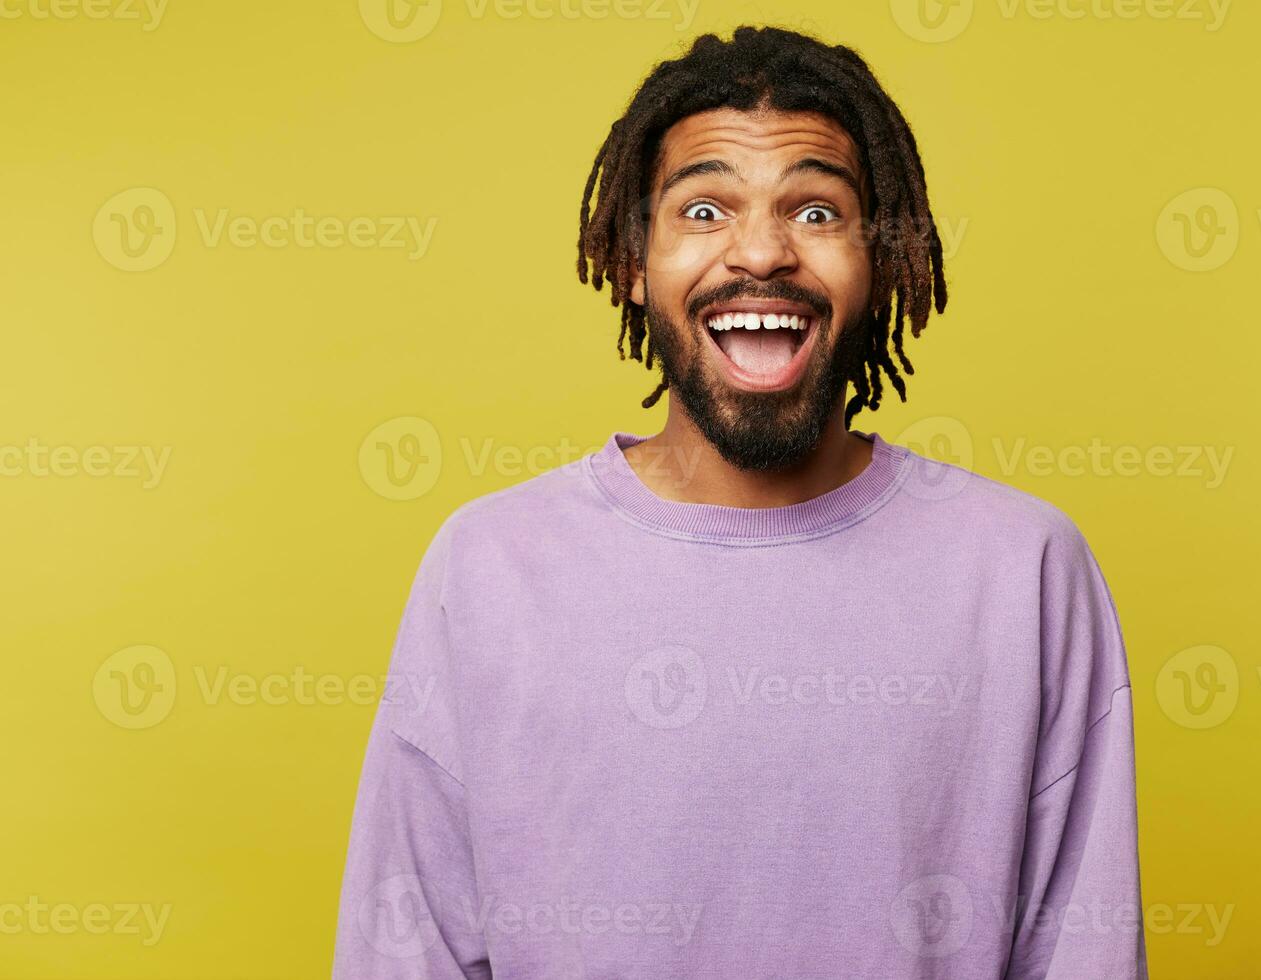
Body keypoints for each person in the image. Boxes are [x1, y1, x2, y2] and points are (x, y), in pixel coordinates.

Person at [333, 25, 1147, 979]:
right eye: (705, 209)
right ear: (634, 262)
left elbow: (1083, 953)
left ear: (883, 264)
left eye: (816, 213)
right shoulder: (488, 566)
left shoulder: (1024, 571)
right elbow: (408, 952)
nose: (760, 252)